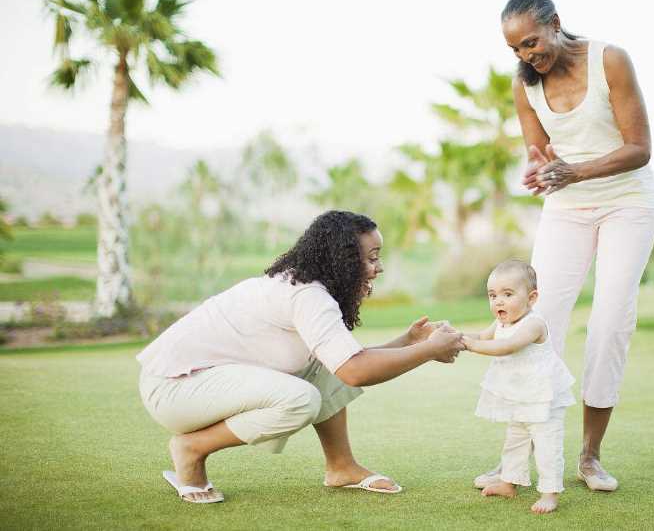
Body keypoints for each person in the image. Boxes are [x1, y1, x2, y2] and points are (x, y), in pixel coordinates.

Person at [137, 210, 465, 503]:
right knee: (301, 399)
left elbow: (348, 360)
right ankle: (192, 448)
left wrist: (409, 341)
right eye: (371, 258)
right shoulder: (308, 296)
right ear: (343, 259)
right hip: (174, 389)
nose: (378, 268)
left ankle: (341, 467)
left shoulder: (305, 284)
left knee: (325, 363)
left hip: (191, 383)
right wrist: (428, 350)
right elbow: (356, 372)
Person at [474, 0, 654, 492]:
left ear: (555, 23)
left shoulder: (610, 60)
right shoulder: (524, 83)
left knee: (609, 321)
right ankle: (515, 461)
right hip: (567, 205)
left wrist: (573, 170)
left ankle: (589, 456)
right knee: (538, 322)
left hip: (627, 201)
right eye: (515, 49)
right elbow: (539, 151)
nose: (526, 56)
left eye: (531, 42)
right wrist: (537, 169)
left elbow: (639, 149)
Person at [462, 260, 575, 514]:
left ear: (531, 298)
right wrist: (456, 336)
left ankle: (550, 492)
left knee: (547, 444)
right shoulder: (501, 323)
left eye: (508, 294)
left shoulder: (533, 324)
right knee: (515, 440)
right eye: (492, 295)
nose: (498, 301)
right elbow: (481, 337)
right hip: (520, 396)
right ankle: (508, 482)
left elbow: (506, 347)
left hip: (544, 398)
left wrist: (469, 346)